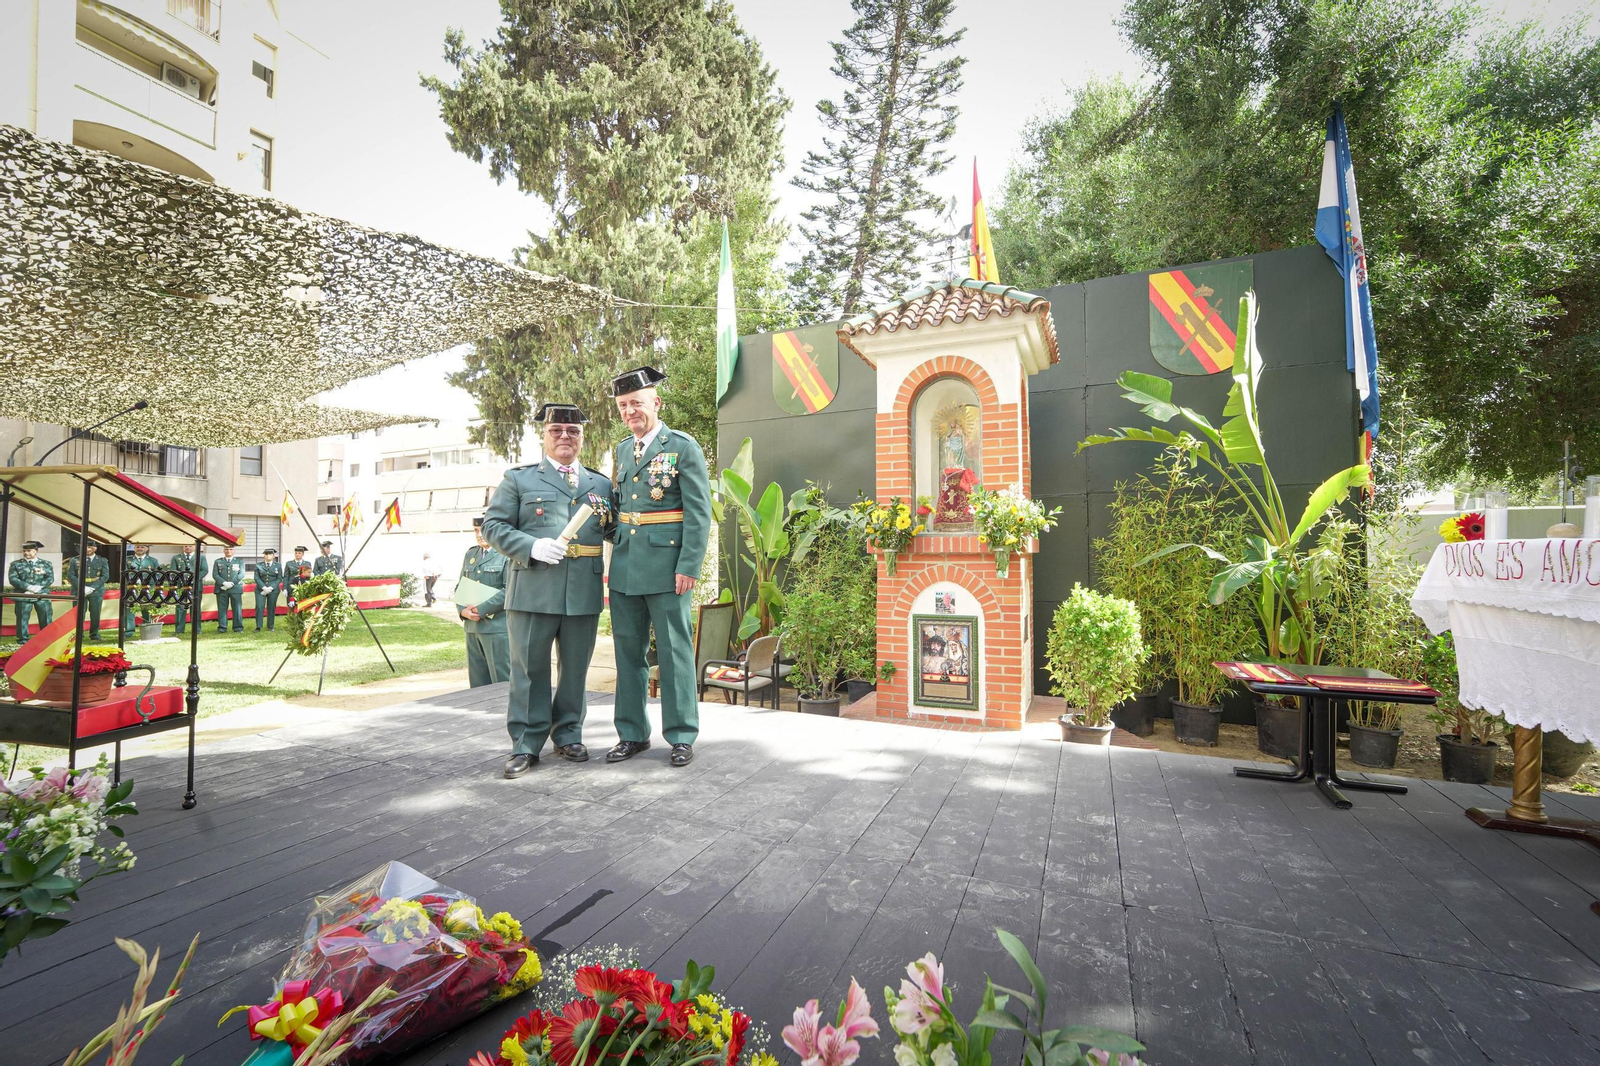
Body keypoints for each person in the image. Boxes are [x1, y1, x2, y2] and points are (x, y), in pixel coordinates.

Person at [482, 403, 610, 777]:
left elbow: (615, 528)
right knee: (529, 671)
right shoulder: (519, 480)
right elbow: (494, 526)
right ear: (544, 435)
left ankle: (569, 733)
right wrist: (531, 547)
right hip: (533, 588)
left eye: (572, 431)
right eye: (556, 430)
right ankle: (526, 742)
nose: (564, 437)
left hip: (583, 590)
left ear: (582, 437)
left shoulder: (600, 484)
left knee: (575, 670)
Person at [605, 366, 711, 768]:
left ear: (656, 403)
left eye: (637, 403)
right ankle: (632, 733)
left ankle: (682, 734)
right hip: (626, 567)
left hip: (669, 569)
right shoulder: (620, 450)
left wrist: (689, 566)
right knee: (627, 653)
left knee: (674, 652)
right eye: (624, 405)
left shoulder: (682, 447)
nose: (631, 411)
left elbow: (699, 514)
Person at [456, 518, 509, 688]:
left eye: (483, 529)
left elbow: (510, 590)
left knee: (501, 681)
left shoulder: (507, 554)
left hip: (497, 629)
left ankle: (504, 714)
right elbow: (460, 586)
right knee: (478, 683)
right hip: (473, 628)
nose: (479, 534)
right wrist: (462, 611)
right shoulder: (471, 554)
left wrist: (482, 609)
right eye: (476, 530)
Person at [9, 540, 53, 640]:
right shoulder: (16, 564)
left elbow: (50, 578)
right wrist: (29, 587)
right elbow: (13, 579)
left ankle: (46, 639)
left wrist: (38, 588)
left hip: (42, 595)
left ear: (36, 551)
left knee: (45, 618)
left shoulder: (46, 564)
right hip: (23, 594)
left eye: (29, 550)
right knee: (22, 619)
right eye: (24, 551)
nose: (26, 553)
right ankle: (22, 640)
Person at [63, 542, 109, 637]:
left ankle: (94, 634)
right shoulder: (74, 560)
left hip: (95, 591)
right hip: (79, 590)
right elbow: (71, 575)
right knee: (79, 613)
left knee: (95, 613)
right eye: (84, 547)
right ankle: (79, 633)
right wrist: (82, 587)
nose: (86, 549)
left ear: (95, 548)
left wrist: (92, 588)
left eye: (89, 547)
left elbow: (105, 576)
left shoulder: (102, 560)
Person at [122, 543, 161, 634]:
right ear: (134, 548)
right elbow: (124, 573)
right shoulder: (127, 560)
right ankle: (129, 631)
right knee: (130, 609)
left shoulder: (153, 561)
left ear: (146, 549)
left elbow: (157, 574)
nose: (139, 548)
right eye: (137, 547)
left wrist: (147, 582)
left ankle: (147, 628)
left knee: (146, 608)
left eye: (142, 547)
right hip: (131, 588)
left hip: (147, 588)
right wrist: (134, 580)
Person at [170, 544, 205, 635]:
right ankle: (179, 630)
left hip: (195, 587)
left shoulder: (201, 557)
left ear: (194, 547)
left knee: (195, 608)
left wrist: (193, 579)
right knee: (180, 608)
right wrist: (182, 580)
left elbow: (204, 570)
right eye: (185, 546)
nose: (187, 548)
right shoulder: (176, 557)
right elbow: (173, 571)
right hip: (181, 586)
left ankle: (196, 629)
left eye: (190, 546)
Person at [212, 544, 246, 633]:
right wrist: (224, 583)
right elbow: (215, 574)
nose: (229, 551)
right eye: (226, 549)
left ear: (234, 551)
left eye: (231, 549)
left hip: (235, 588)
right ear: (223, 551)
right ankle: (222, 628)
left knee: (237, 608)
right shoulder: (218, 561)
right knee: (222, 609)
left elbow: (241, 574)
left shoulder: (239, 561)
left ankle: (238, 627)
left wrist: (231, 583)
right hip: (221, 588)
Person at [254, 547, 282, 631]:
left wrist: (270, 587)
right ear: (264, 556)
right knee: (259, 606)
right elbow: (257, 578)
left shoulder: (278, 565)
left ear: (273, 556)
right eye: (266, 554)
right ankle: (258, 626)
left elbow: (279, 578)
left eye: (270, 554)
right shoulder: (258, 565)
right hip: (260, 589)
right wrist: (263, 587)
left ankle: (270, 626)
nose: (268, 556)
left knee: (271, 607)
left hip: (273, 590)